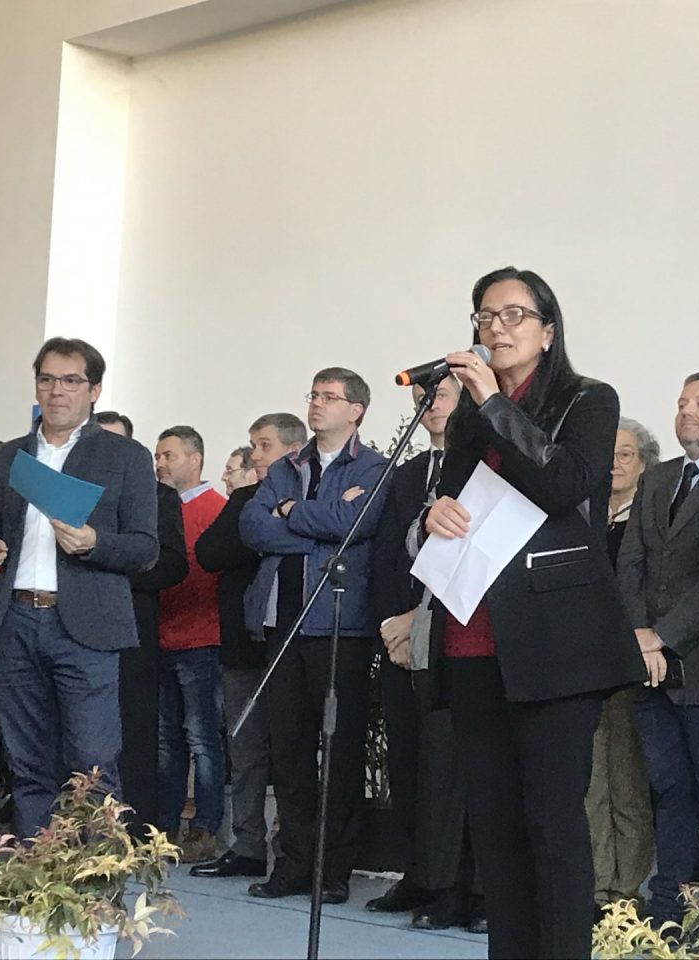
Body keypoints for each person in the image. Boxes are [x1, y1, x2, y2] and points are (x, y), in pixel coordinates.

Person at [424, 266, 646, 958]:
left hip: (553, 643)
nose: (497, 328)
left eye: (514, 315)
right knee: (495, 829)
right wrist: (430, 516)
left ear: (548, 332)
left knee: (552, 825)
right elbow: (449, 505)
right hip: (472, 636)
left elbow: (564, 484)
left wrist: (494, 404)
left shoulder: (589, 400)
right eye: (485, 316)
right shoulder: (468, 417)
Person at [0, 337, 159, 839]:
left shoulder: (124, 456)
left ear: (94, 390)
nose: (57, 390)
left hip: (85, 627)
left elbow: (146, 549)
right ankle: (35, 873)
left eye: (71, 380)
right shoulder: (9, 456)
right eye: (47, 379)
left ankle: (96, 877)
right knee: (27, 762)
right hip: (14, 621)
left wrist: (96, 543)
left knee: (92, 763)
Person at [240, 368, 388, 904]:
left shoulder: (374, 466)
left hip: (338, 626)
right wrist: (313, 527)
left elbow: (355, 523)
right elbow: (252, 527)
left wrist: (290, 515)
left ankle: (333, 868)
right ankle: (293, 864)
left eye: (330, 397)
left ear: (356, 411)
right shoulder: (286, 466)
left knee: (340, 750)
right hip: (282, 622)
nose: (317, 403)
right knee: (290, 751)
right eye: (314, 394)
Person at [619, 375, 699, 927]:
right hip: (648, 663)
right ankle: (668, 903)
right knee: (668, 787)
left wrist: (664, 635)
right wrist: (638, 634)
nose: (686, 411)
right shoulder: (659, 477)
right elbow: (630, 561)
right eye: (680, 403)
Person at [367, 374, 485, 931]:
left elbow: (471, 556)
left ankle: (465, 887)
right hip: (400, 639)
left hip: (452, 630)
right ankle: (418, 874)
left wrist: (421, 619)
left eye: (441, 396)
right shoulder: (408, 472)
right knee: (409, 762)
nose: (430, 405)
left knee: (453, 768)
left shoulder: (481, 470)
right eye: (423, 398)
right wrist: (391, 625)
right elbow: (387, 555)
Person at [191, 412, 305, 879]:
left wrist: (271, 530)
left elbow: (320, 540)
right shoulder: (243, 498)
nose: (255, 455)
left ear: (293, 451)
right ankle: (248, 845)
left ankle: (295, 850)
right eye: (253, 445)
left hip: (294, 642)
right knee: (245, 749)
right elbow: (210, 552)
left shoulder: (309, 494)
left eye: (264, 446)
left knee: (295, 750)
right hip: (242, 642)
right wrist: (269, 530)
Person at [97, 411, 188, 837]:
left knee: (134, 731)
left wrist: (108, 564)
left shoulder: (158, 497)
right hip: (72, 628)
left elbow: (172, 564)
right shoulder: (71, 496)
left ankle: (133, 828)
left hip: (132, 629)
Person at [585, 417, 658, 917]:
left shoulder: (650, 516)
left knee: (628, 779)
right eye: (608, 454)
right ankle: (595, 886)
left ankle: (626, 892)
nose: (614, 463)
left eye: (625, 454)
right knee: (590, 781)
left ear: (644, 463)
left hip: (632, 659)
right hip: (583, 660)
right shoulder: (585, 513)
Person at [154, 425, 226, 862]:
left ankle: (204, 827)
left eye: (169, 455)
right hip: (162, 637)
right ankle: (164, 825)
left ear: (195, 459)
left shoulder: (215, 509)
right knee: (166, 740)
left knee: (202, 739)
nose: (160, 464)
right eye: (157, 456)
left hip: (201, 637)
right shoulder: (157, 507)